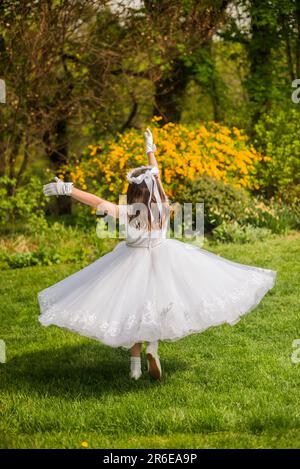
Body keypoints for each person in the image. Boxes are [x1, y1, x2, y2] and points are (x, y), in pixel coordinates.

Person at [38, 128, 276, 381]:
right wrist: (150, 150)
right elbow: (157, 175)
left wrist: (68, 189)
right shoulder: (162, 204)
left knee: (134, 307)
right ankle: (153, 347)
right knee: (156, 306)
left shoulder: (127, 211)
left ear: (132, 191)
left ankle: (134, 367)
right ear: (153, 189)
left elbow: (97, 202)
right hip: (165, 257)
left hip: (131, 262)